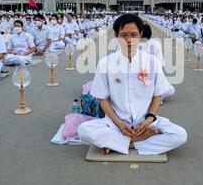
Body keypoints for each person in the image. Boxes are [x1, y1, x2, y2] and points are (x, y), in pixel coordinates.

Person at [78, 14, 187, 155]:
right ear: (116, 36)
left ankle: (123, 144)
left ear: (141, 35)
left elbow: (158, 94)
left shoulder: (153, 62)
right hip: (115, 122)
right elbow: (102, 98)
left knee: (180, 135)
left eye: (134, 35)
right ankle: (139, 140)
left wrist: (149, 119)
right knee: (84, 131)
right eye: (123, 35)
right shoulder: (105, 63)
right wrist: (119, 123)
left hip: (144, 121)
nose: (129, 40)